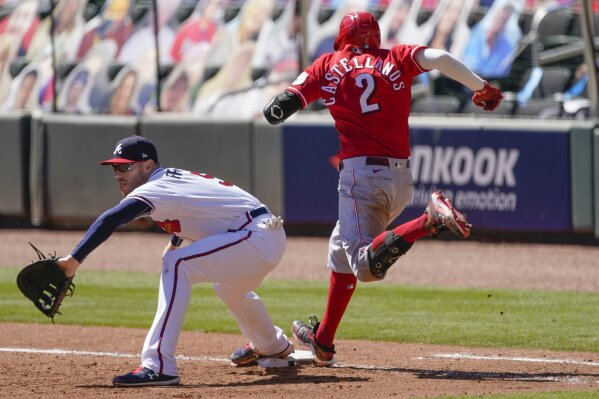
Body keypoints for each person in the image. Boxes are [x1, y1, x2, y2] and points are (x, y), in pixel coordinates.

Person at [262, 10, 502, 366]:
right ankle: (324, 339)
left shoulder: (328, 64)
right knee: (339, 251)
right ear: (375, 37)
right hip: (400, 177)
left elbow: (277, 109)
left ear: (342, 38)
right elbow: (438, 57)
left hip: (361, 177)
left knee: (364, 266)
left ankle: (428, 220)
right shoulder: (396, 57)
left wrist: (288, 102)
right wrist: (481, 87)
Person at [56, 135, 294, 386]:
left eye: (125, 166)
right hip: (258, 234)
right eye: (115, 167)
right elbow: (196, 210)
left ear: (148, 166)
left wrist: (73, 261)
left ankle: (158, 365)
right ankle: (271, 345)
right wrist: (175, 241)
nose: (118, 173)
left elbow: (111, 219)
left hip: (254, 236)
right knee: (228, 287)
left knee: (178, 264)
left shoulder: (156, 186)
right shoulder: (169, 180)